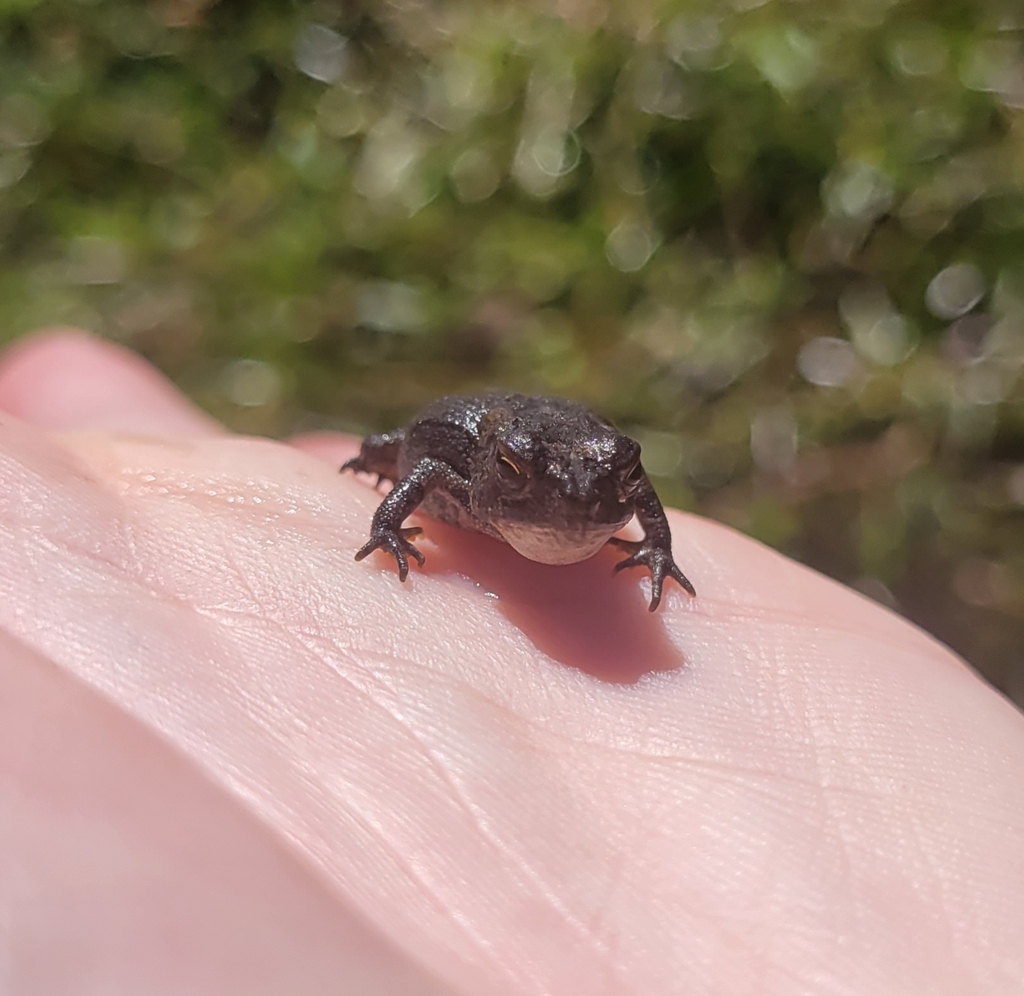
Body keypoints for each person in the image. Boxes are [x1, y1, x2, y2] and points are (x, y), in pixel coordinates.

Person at [0, 328, 1021, 996]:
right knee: (377, 440)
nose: (603, 508)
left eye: (617, 491)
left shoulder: (605, 481)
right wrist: (391, 523)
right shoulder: (476, 470)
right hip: (460, 434)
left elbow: (636, 492)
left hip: (546, 447)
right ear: (514, 480)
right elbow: (423, 465)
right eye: (596, 498)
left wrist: (656, 548)